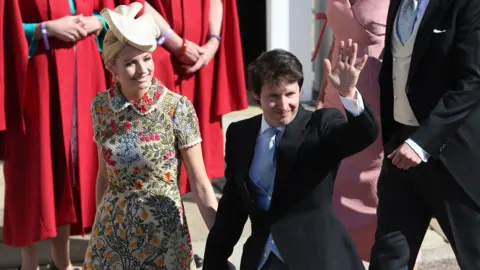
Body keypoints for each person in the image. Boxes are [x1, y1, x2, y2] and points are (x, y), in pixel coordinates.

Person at [203, 43, 379, 270]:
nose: (284, 105)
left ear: (300, 90)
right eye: (274, 96)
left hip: (319, 259)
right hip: (263, 259)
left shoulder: (321, 125)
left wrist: (348, 95)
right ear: (257, 95)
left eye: (290, 94)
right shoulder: (240, 134)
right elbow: (233, 208)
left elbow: (364, 134)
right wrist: (214, 261)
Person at [83, 3, 219, 269]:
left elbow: (202, 186)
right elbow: (103, 176)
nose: (143, 69)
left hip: (164, 238)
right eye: (130, 63)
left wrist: (221, 243)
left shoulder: (176, 108)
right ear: (113, 68)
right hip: (112, 239)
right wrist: (97, 232)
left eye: (146, 58)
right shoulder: (101, 107)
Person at [368, 0, 480, 268]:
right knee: (388, 258)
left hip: (454, 155)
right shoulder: (398, 3)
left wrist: (422, 143)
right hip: (400, 151)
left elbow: (473, 81)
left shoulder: (466, 5)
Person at [0, 0, 109, 269]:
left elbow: (117, 8)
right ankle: (29, 262)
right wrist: (43, 29)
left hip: (82, 75)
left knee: (68, 167)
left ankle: (61, 259)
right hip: (34, 79)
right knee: (30, 170)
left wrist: (100, 22)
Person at [115, 0, 248, 196]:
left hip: (201, 56)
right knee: (158, 153)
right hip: (161, 52)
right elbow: (137, 2)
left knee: (197, 153)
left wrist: (213, 42)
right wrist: (175, 42)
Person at [316, 0, 395, 266]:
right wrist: (322, 93)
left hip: (378, 98)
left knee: (379, 197)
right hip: (337, 98)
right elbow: (337, 41)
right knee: (333, 187)